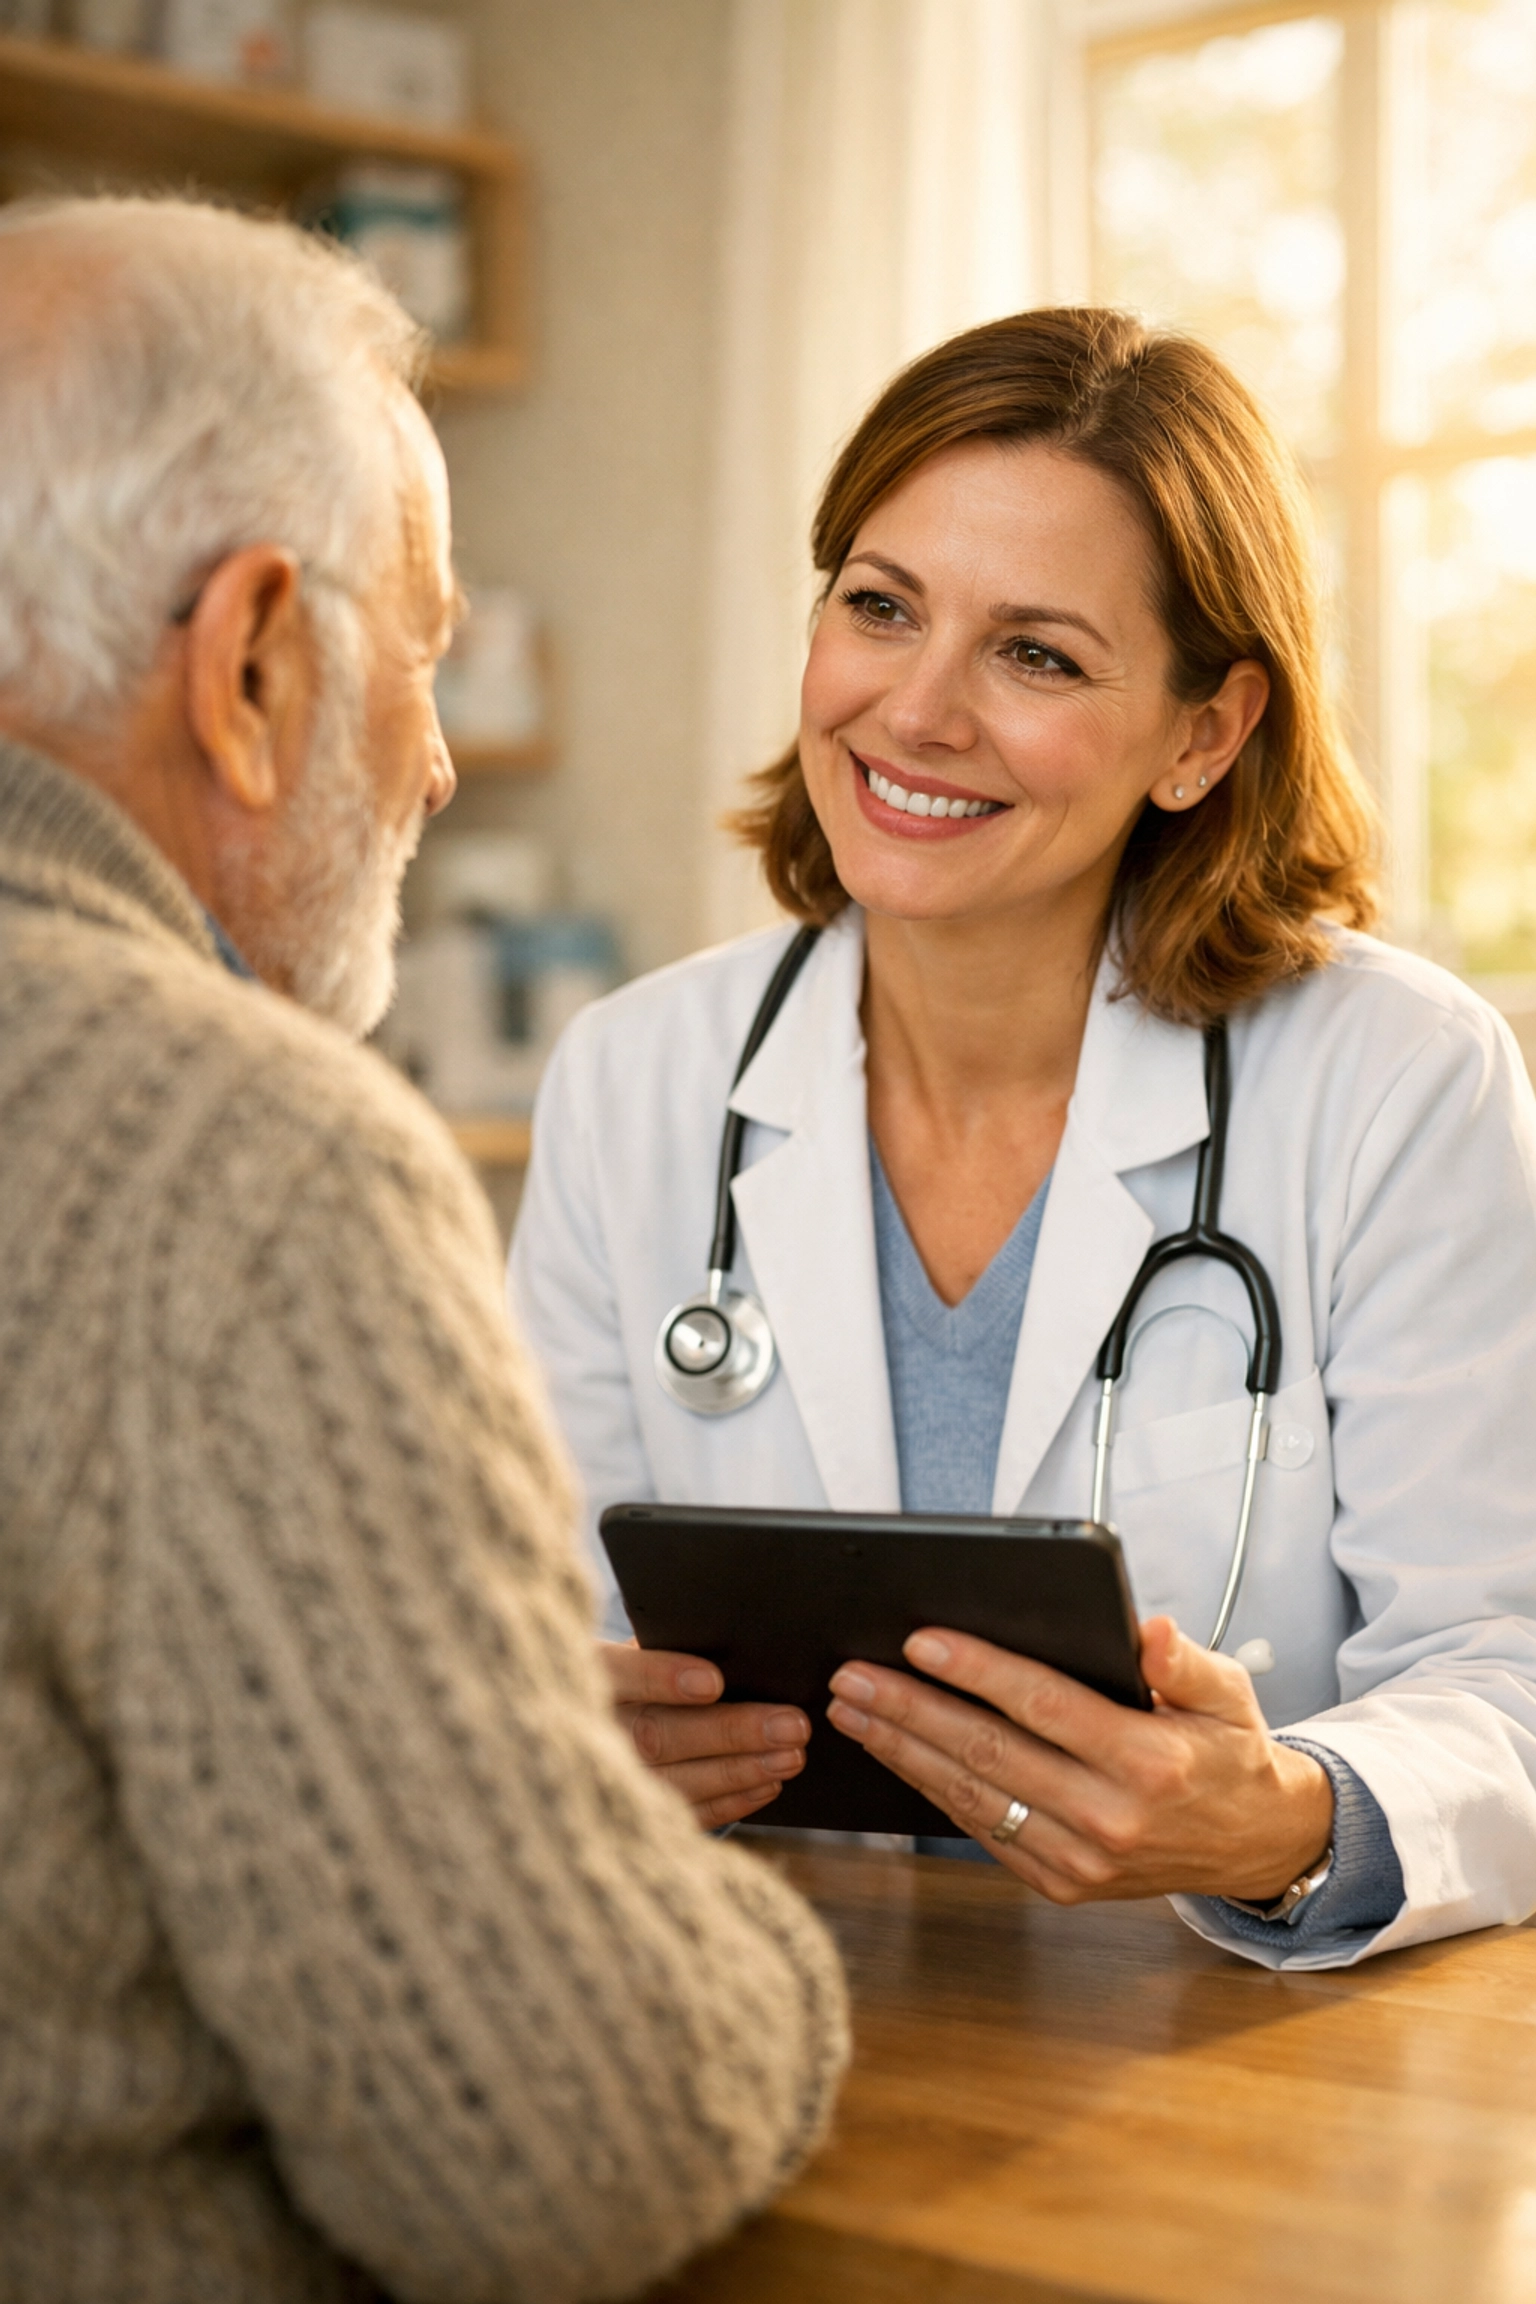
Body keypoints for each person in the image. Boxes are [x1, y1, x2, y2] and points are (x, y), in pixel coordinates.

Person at [0, 194, 848, 2304]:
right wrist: (708, 1926)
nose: (443, 761)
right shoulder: (234, 1159)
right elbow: (559, 2144)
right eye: (423, 654)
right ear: (254, 663)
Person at [512, 307, 1536, 1971]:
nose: (917, 712)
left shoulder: (1396, 1080)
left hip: (1225, 2043)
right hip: (765, 2003)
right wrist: (562, 1737)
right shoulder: (637, 1080)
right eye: (881, 606)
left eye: (1037, 655)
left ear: (1204, 735)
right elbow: (542, 1634)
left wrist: (1286, 1817)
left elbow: (1509, 1679)